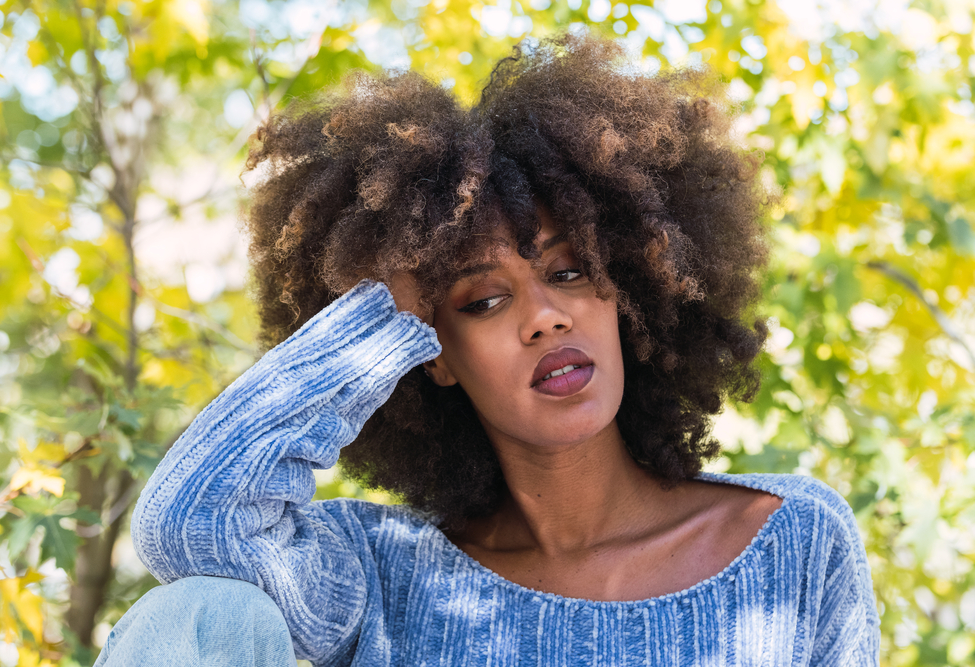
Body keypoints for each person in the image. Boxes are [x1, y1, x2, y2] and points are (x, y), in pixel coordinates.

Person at [96, 33, 880, 666]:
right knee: (199, 610)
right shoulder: (379, 576)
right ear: (433, 349)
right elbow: (190, 524)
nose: (544, 317)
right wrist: (383, 314)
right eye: (485, 299)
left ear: (627, 285)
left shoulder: (788, 541)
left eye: (570, 270)